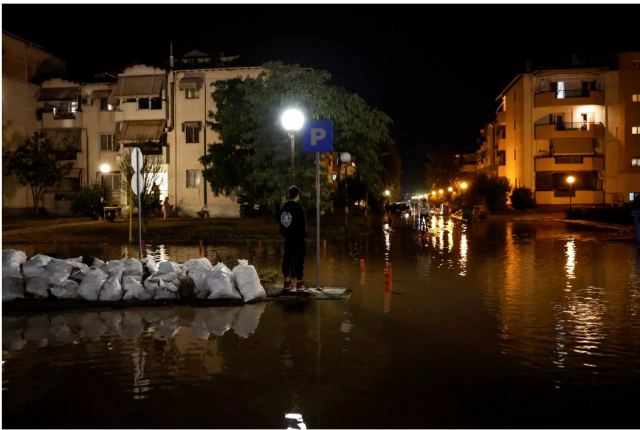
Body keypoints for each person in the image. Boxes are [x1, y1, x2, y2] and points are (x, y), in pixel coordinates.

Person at [279, 186, 308, 292]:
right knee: (299, 260)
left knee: (287, 258)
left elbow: (282, 223)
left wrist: (285, 233)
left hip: (288, 238)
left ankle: (287, 282)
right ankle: (299, 283)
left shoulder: (284, 208)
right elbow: (303, 225)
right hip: (298, 239)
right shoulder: (298, 208)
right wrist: (304, 235)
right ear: (297, 195)